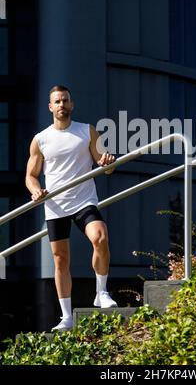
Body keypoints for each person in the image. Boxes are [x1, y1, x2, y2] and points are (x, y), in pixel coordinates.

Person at [25, 85, 117, 331]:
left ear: (72, 104)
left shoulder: (87, 131)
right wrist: (35, 190)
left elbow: (106, 167)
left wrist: (108, 162)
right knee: (60, 260)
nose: (62, 105)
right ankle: (66, 317)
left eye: (65, 100)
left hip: (84, 201)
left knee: (100, 237)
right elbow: (31, 176)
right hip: (55, 206)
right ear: (50, 107)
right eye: (57, 101)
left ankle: (101, 292)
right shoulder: (40, 140)